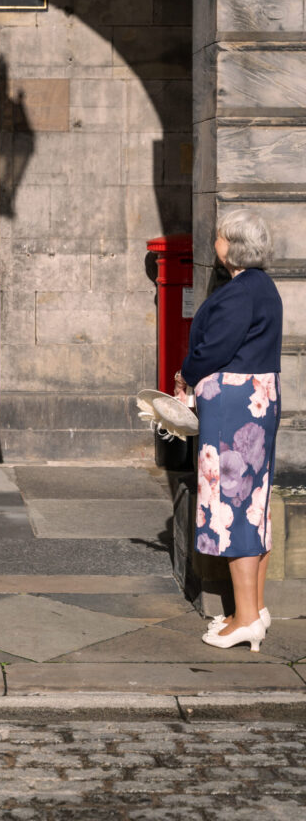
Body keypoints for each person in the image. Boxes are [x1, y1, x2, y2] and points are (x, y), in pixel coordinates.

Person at [175, 209, 283, 652]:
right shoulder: (264, 287)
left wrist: (185, 375)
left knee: (235, 510)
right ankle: (253, 609)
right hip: (257, 401)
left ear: (230, 246)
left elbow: (214, 349)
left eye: (219, 236)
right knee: (254, 507)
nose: (215, 241)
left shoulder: (240, 292)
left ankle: (243, 620)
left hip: (235, 409)